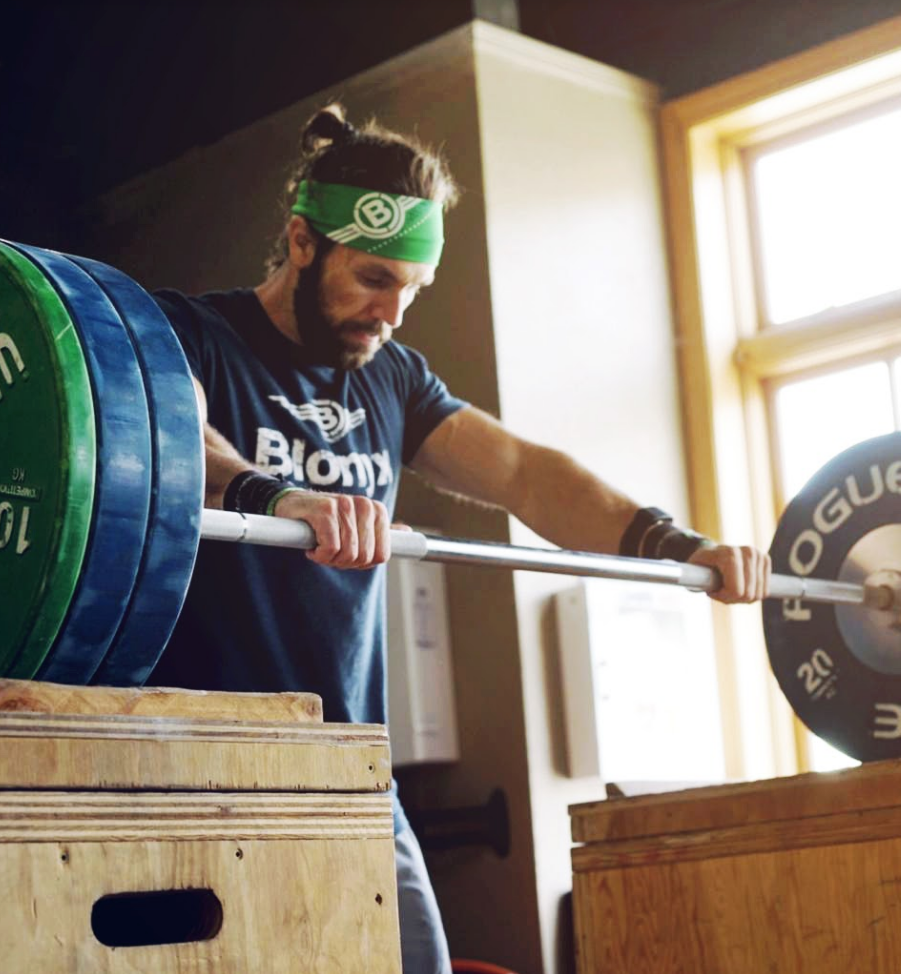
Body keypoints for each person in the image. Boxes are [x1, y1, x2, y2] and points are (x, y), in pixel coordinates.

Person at [148, 103, 772, 974]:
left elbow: (522, 472)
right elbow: (170, 433)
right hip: (199, 773)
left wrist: (673, 544)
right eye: (372, 279)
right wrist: (275, 494)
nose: (392, 311)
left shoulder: (392, 379)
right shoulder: (189, 337)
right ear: (301, 242)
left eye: (412, 288)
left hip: (353, 771)